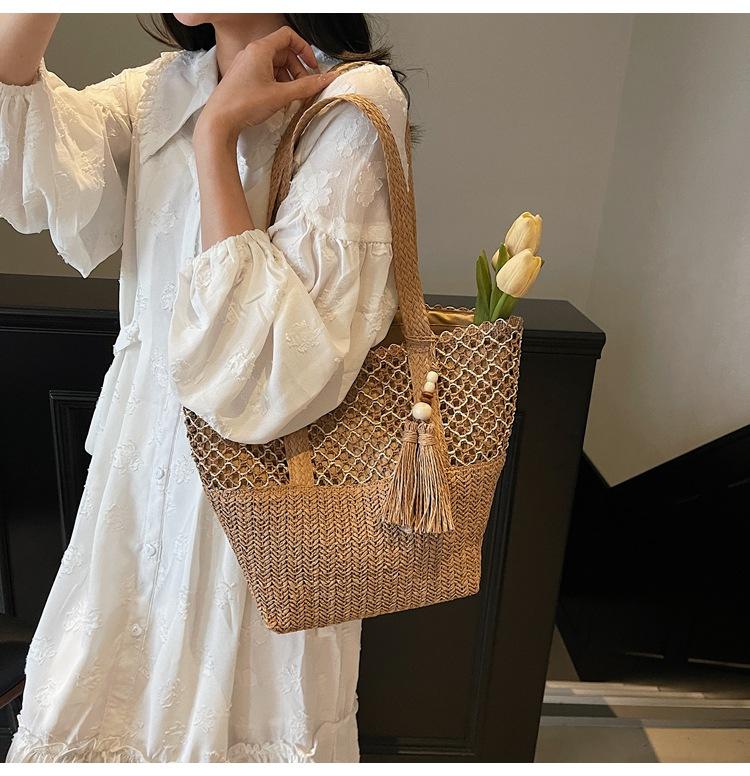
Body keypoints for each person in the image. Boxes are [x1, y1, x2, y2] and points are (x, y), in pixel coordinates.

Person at [0, 12, 410, 763]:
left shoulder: (352, 101)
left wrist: (215, 139)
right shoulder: (162, 90)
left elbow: (275, 368)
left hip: (259, 518)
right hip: (134, 501)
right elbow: (25, 169)